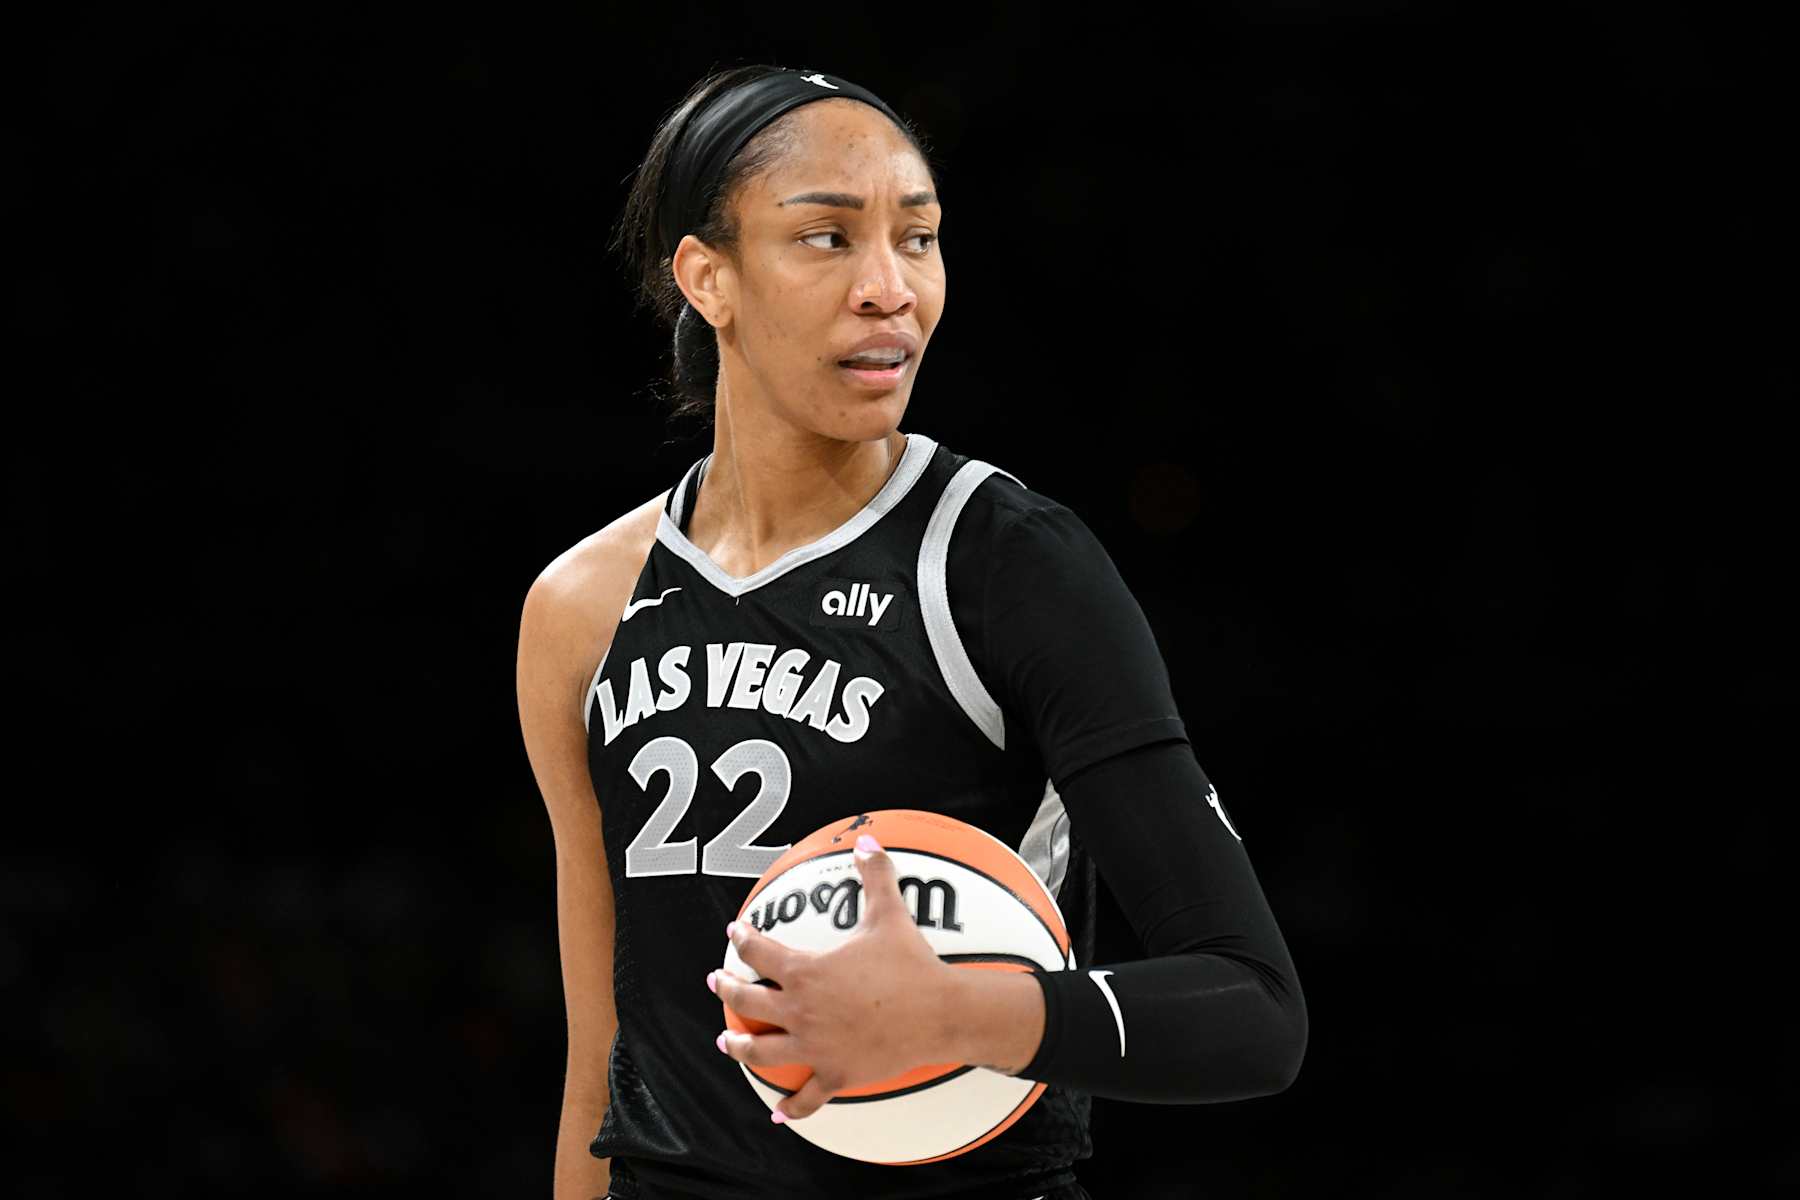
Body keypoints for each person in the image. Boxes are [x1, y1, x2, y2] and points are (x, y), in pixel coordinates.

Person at [516, 64, 1307, 1200]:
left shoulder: (1008, 562)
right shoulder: (582, 608)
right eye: (827, 238)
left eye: (919, 238)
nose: (890, 289)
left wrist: (956, 1013)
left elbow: (1254, 1010)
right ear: (707, 277)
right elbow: (600, 1069)